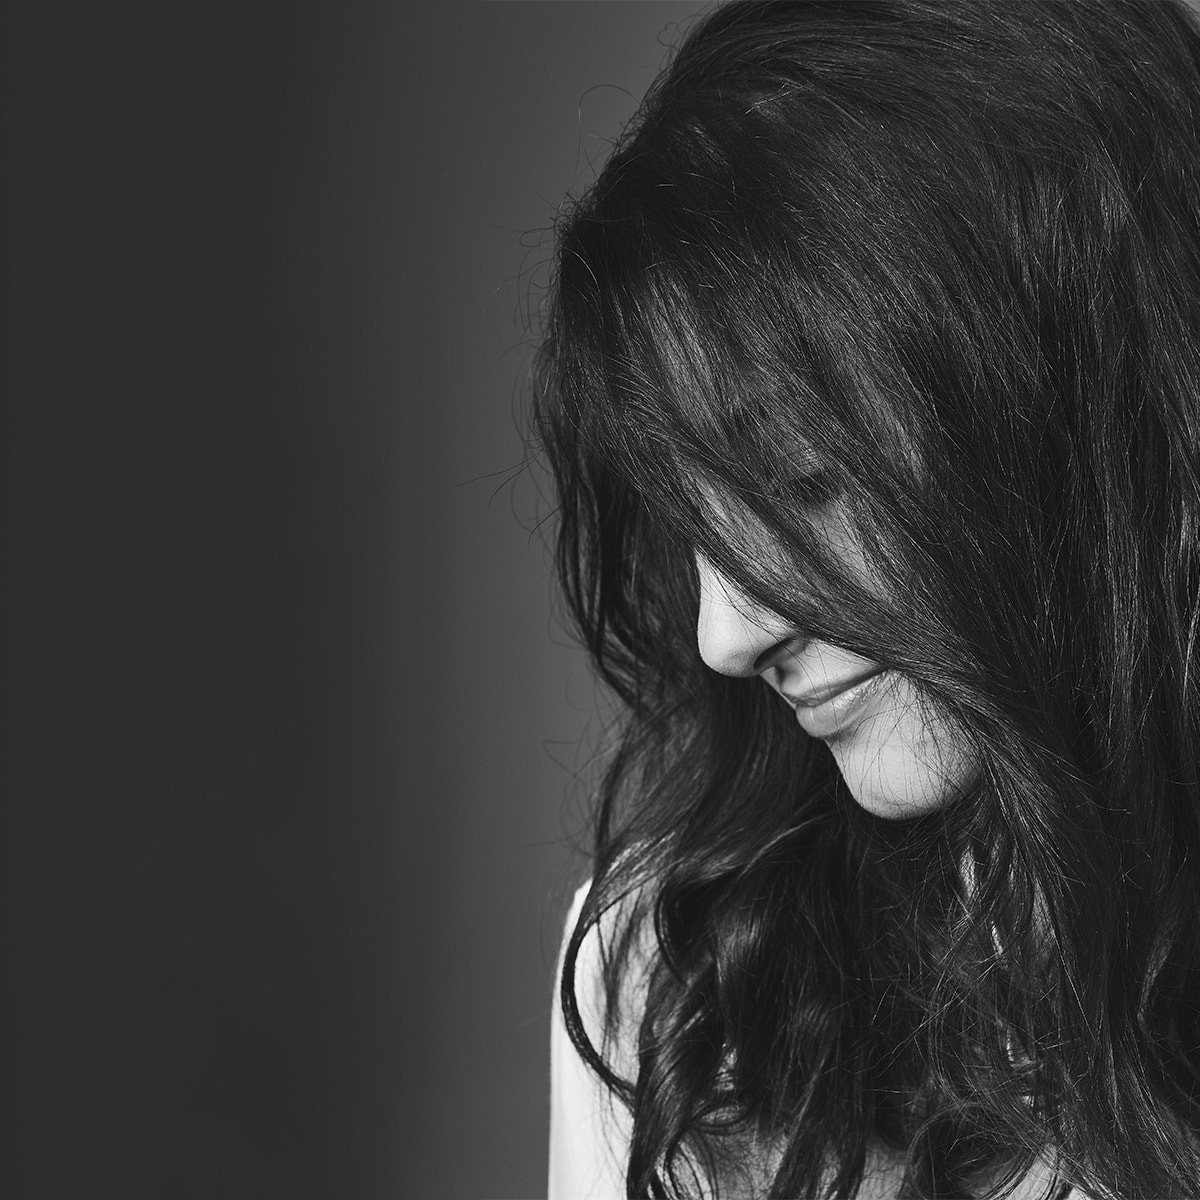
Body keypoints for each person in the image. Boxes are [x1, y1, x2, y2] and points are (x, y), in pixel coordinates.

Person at [533, 1, 1200, 1196]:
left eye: (798, 479)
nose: (723, 635)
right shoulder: (673, 992)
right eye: (694, 527)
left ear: (1065, 390)